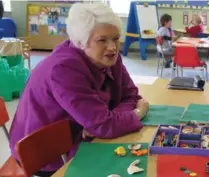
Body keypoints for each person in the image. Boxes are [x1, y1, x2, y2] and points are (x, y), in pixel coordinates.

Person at [9, 3, 149, 176]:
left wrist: (109, 119)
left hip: (84, 138)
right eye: (102, 40)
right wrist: (136, 114)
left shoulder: (109, 58)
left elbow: (130, 95)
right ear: (80, 42)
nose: (112, 47)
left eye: (115, 38)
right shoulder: (64, 69)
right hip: (50, 155)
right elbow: (104, 125)